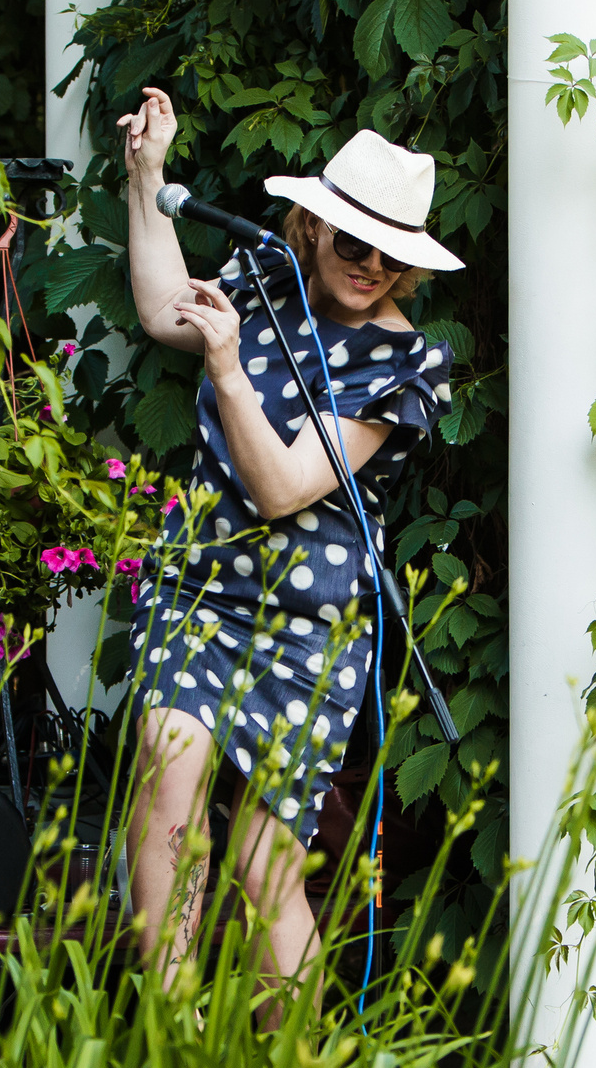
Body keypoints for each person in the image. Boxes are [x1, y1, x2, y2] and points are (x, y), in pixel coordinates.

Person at [115, 86, 461, 1011]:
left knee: (267, 868)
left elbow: (281, 488)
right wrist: (145, 178)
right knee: (166, 762)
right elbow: (160, 312)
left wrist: (229, 369)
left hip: (309, 625)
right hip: (205, 589)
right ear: (311, 225)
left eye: (393, 256)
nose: (372, 268)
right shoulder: (266, 274)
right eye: (355, 243)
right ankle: (170, 1042)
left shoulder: (406, 365)